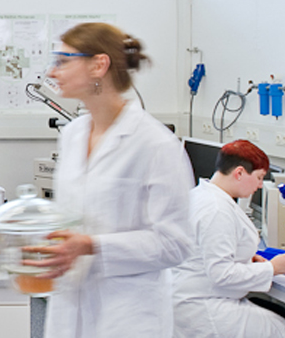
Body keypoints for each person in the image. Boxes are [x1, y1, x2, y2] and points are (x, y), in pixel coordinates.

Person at [24, 22, 193, 338]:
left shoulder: (155, 144)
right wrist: (24, 236)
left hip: (127, 316)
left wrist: (91, 246)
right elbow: (74, 220)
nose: (51, 72)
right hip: (69, 307)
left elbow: (175, 244)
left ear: (98, 65)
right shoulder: (73, 134)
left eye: (63, 60)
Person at [172, 140, 285, 337]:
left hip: (190, 298)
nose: (259, 185)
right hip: (205, 308)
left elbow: (205, 251)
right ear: (239, 173)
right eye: (259, 177)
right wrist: (272, 268)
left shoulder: (201, 195)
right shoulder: (216, 210)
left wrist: (246, 259)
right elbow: (221, 274)